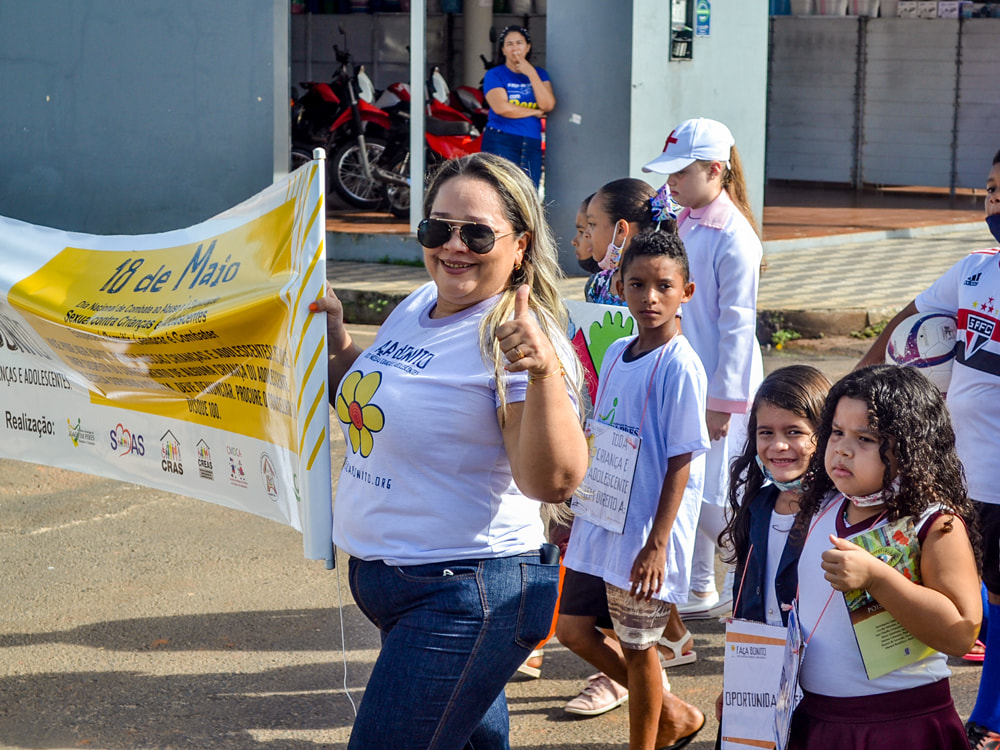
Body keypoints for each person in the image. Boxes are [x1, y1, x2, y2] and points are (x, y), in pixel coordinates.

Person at [309, 152, 590, 750]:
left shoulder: (513, 340)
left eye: (477, 233)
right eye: (438, 229)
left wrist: (540, 374)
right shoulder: (418, 305)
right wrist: (336, 340)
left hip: (466, 593)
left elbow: (555, 481)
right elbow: (372, 407)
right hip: (405, 587)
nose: (453, 246)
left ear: (520, 245)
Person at [856, 148, 1000, 749]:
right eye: (991, 189)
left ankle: (990, 717)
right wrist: (861, 375)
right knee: (969, 589)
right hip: (961, 473)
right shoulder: (974, 269)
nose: (995, 201)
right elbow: (914, 314)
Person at [558, 229, 708, 750]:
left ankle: (647, 738)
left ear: (685, 292)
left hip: (644, 531)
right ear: (619, 285)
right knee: (572, 629)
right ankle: (669, 713)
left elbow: (682, 459)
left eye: (664, 286)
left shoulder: (681, 366)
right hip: (601, 516)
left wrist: (658, 544)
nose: (650, 297)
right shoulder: (620, 349)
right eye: (638, 284)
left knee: (639, 644)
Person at [788, 365, 981, 749]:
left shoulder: (934, 523)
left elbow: (961, 632)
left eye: (865, 438)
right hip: (818, 719)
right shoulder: (825, 506)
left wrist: (879, 578)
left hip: (901, 724)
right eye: (837, 432)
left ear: (908, 447)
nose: (842, 448)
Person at [641, 117, 765, 619]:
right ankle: (698, 586)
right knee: (691, 482)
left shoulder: (734, 236)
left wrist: (723, 403)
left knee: (721, 494)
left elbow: (739, 325)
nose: (670, 182)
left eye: (680, 172)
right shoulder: (688, 221)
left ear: (716, 170)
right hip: (689, 376)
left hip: (719, 385)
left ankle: (741, 584)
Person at [714, 365, 831, 731]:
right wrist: (735, 680)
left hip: (822, 685)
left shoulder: (836, 512)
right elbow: (744, 602)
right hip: (760, 681)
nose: (778, 446)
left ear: (824, 436)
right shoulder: (757, 507)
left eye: (794, 432)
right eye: (767, 433)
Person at [481, 25, 553, 187]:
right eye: (509, 44)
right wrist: (534, 112)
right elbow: (502, 108)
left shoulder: (540, 74)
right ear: (503, 50)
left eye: (519, 43)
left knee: (528, 190)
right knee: (499, 190)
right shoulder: (495, 74)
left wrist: (531, 73)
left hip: (531, 140)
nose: (515, 48)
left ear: (528, 47)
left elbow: (547, 104)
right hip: (501, 138)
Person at [584, 178, 658, 307]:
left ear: (621, 230)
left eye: (592, 224)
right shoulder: (598, 284)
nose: (586, 233)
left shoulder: (661, 289)